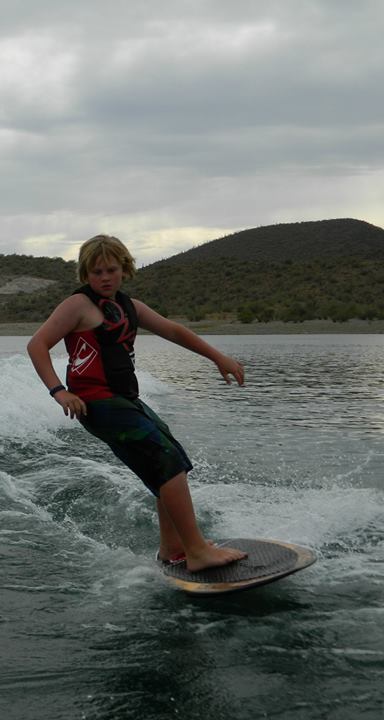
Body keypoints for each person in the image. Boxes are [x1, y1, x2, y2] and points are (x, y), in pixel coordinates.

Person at [26, 235, 248, 572]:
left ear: (124, 269)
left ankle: (173, 547)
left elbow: (173, 331)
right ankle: (197, 551)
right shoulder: (77, 306)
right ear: (86, 274)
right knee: (167, 461)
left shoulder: (130, 306)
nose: (104, 277)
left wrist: (218, 357)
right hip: (96, 404)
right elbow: (37, 345)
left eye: (111, 270)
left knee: (168, 459)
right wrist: (59, 391)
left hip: (124, 401)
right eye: (96, 271)